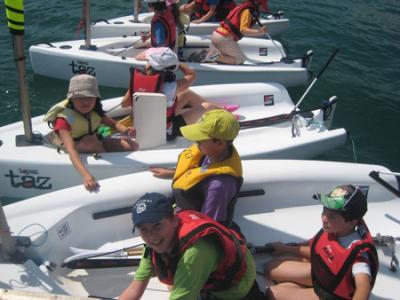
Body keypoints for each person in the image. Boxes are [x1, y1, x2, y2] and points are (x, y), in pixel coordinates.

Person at [119, 192, 262, 300]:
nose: (151, 236)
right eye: (143, 229)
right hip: (206, 273)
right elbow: (135, 288)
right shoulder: (152, 245)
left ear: (174, 220)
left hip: (234, 288)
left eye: (157, 225)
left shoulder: (193, 253)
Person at [264, 184, 379, 300]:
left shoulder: (357, 253)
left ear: (351, 223)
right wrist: (285, 248)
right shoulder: (333, 229)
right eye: (324, 211)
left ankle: (296, 289)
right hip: (320, 275)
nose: (324, 219)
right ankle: (297, 287)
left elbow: (363, 286)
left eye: (332, 216)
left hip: (328, 294)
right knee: (270, 268)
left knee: (272, 293)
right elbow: (319, 250)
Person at [44, 74, 138, 192]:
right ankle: (109, 165)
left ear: (96, 99)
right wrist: (85, 175)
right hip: (74, 145)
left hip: (94, 139)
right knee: (90, 141)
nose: (85, 102)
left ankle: (107, 154)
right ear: (71, 99)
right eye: (79, 98)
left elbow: (113, 124)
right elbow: (71, 150)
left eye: (90, 97)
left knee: (133, 145)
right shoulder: (64, 119)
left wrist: (126, 130)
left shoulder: (95, 112)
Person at [149, 109, 242, 227]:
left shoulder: (219, 186)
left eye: (200, 140)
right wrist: (171, 172)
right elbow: (202, 172)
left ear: (220, 143)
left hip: (192, 224)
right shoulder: (213, 153)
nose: (195, 142)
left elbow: (207, 226)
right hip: (181, 210)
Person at [122, 47, 238, 140]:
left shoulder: (138, 79)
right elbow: (191, 75)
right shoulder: (170, 87)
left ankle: (223, 109)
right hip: (166, 131)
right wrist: (177, 62)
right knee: (208, 107)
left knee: (186, 94)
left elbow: (124, 104)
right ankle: (225, 114)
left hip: (147, 123)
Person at [206, 0, 268, 64]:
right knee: (240, 59)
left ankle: (211, 53)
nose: (262, 9)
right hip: (224, 39)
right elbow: (243, 30)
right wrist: (259, 32)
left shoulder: (242, 7)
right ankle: (211, 57)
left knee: (234, 55)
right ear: (256, 3)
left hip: (217, 35)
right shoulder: (248, 12)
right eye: (262, 6)